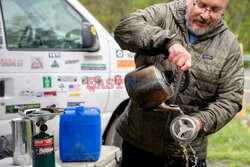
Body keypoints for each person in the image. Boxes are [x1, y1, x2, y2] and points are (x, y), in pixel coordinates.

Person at [114, 0, 244, 166]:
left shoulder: (229, 45)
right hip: (137, 143)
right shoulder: (165, 14)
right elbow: (124, 28)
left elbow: (230, 99)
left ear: (224, 9)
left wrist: (198, 123)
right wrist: (167, 42)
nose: (205, 15)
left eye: (215, 10)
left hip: (187, 153)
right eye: (202, 5)